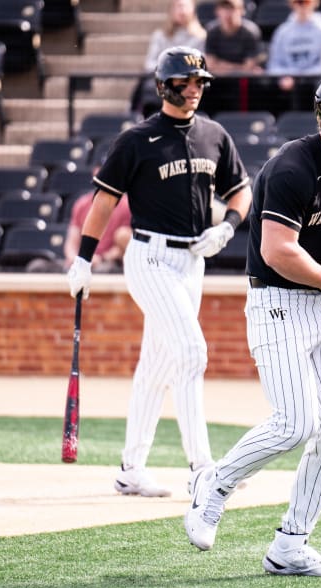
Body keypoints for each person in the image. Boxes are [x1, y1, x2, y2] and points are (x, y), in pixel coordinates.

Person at [184, 72, 321, 577]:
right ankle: (214, 484)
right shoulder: (291, 167)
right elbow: (277, 252)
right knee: (297, 423)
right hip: (279, 302)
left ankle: (291, 544)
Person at [67, 46, 252, 497]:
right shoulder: (137, 139)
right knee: (191, 351)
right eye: (183, 83)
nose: (193, 90)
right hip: (149, 257)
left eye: (199, 83)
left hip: (194, 260)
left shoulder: (214, 134)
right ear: (163, 86)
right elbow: (104, 202)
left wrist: (226, 229)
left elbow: (240, 192)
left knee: (157, 365)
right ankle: (203, 469)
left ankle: (131, 468)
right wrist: (84, 258)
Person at [26, 161, 133, 274]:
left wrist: (100, 259)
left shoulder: (127, 205)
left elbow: (125, 244)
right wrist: (75, 259)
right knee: (37, 267)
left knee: (103, 270)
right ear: (95, 172)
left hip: (106, 263)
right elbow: (72, 241)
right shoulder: (81, 203)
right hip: (81, 261)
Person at [133, 0, 207, 117]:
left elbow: (200, 65)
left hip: (187, 82)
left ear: (192, 10)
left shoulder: (201, 37)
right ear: (171, 11)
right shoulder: (159, 36)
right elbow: (149, 64)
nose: (182, 11)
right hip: (163, 81)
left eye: (185, 7)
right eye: (178, 7)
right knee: (145, 84)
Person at [266, 0, 321, 104]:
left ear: (316, 3)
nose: (302, 6)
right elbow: (274, 64)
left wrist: (301, 77)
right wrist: (285, 76)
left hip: (317, 86)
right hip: (288, 88)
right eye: (298, 2)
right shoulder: (282, 32)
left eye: (306, 2)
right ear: (291, 4)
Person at [203, 0, 264, 75]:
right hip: (218, 79)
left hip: (243, 80)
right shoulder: (211, 31)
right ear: (217, 11)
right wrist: (239, 67)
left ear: (242, 11)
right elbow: (210, 65)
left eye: (232, 8)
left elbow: (250, 67)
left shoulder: (250, 32)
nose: (227, 13)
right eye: (224, 8)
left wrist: (220, 65)